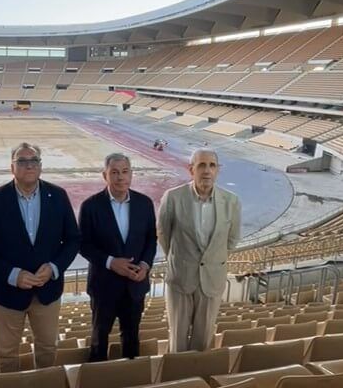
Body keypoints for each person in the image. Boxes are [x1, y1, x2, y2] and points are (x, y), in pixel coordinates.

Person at [0, 142, 81, 372]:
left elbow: (73, 240)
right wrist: (13, 275)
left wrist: (54, 267)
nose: (29, 166)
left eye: (34, 161)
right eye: (22, 161)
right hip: (6, 294)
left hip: (47, 293)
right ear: (12, 167)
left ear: (40, 167)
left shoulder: (58, 196)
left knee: (47, 349)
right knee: (6, 354)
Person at [157, 148, 241, 352]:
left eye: (212, 165)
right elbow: (163, 234)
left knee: (203, 341)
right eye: (202, 165)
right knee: (177, 339)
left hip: (212, 279)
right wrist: (180, 259)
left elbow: (231, 240)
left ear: (217, 170)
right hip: (181, 278)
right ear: (191, 169)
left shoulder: (231, 201)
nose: (207, 171)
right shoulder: (173, 197)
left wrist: (211, 260)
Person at [79, 153, 157, 361]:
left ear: (131, 174)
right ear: (105, 175)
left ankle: (130, 378)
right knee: (99, 340)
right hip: (104, 286)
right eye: (114, 172)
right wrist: (110, 262)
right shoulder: (90, 206)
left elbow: (151, 239)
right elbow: (83, 245)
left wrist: (145, 265)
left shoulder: (145, 203)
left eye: (124, 172)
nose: (120, 177)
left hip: (135, 286)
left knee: (131, 339)